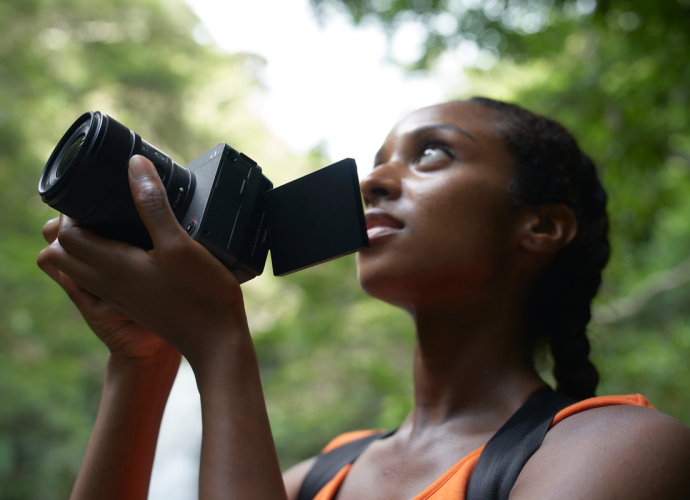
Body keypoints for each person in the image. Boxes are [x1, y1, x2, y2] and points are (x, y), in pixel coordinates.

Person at [37, 98, 690, 500]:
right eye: (378, 160)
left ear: (540, 227)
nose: (373, 180)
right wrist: (143, 361)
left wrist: (218, 343)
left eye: (431, 154)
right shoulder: (324, 476)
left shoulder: (626, 449)